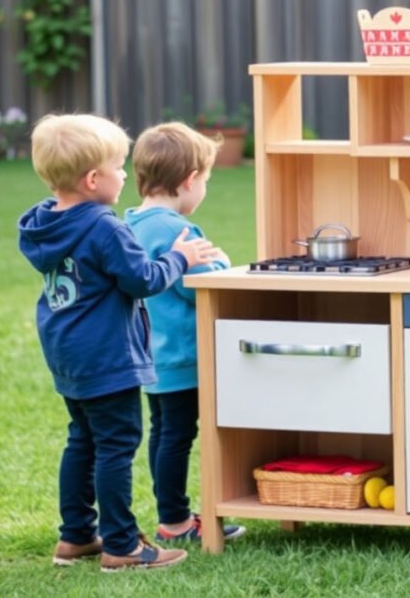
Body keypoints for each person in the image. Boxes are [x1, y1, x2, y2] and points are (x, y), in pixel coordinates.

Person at [19, 113, 220, 571]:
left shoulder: (44, 223)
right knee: (116, 444)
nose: (126, 175)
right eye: (118, 167)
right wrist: (179, 257)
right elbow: (143, 280)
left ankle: (75, 537)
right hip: (107, 356)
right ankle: (122, 546)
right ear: (93, 179)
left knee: (83, 440)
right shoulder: (104, 227)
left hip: (67, 353)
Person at [124, 122, 246, 544]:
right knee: (178, 436)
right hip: (181, 355)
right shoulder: (174, 230)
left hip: (150, 354)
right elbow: (196, 286)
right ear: (189, 181)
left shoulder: (133, 223)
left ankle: (172, 514)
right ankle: (175, 520)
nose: (204, 189)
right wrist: (224, 263)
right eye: (206, 181)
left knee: (165, 433)